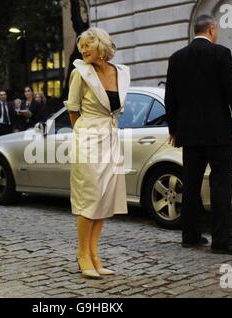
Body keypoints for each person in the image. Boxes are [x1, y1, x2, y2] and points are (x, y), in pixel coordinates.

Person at [165, 15, 232, 255]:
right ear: (212, 29)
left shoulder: (176, 58)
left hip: (190, 134)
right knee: (220, 184)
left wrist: (173, 129)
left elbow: (169, 98)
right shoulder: (221, 54)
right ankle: (221, 240)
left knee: (191, 184)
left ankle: (190, 235)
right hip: (218, 133)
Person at [65, 27, 130, 279]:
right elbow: (73, 110)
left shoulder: (121, 72)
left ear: (101, 45)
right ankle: (83, 255)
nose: (83, 50)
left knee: (105, 197)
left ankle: (94, 255)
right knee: (89, 196)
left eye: (87, 45)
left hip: (110, 137)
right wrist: (84, 136)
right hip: (88, 138)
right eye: (81, 46)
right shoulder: (80, 73)